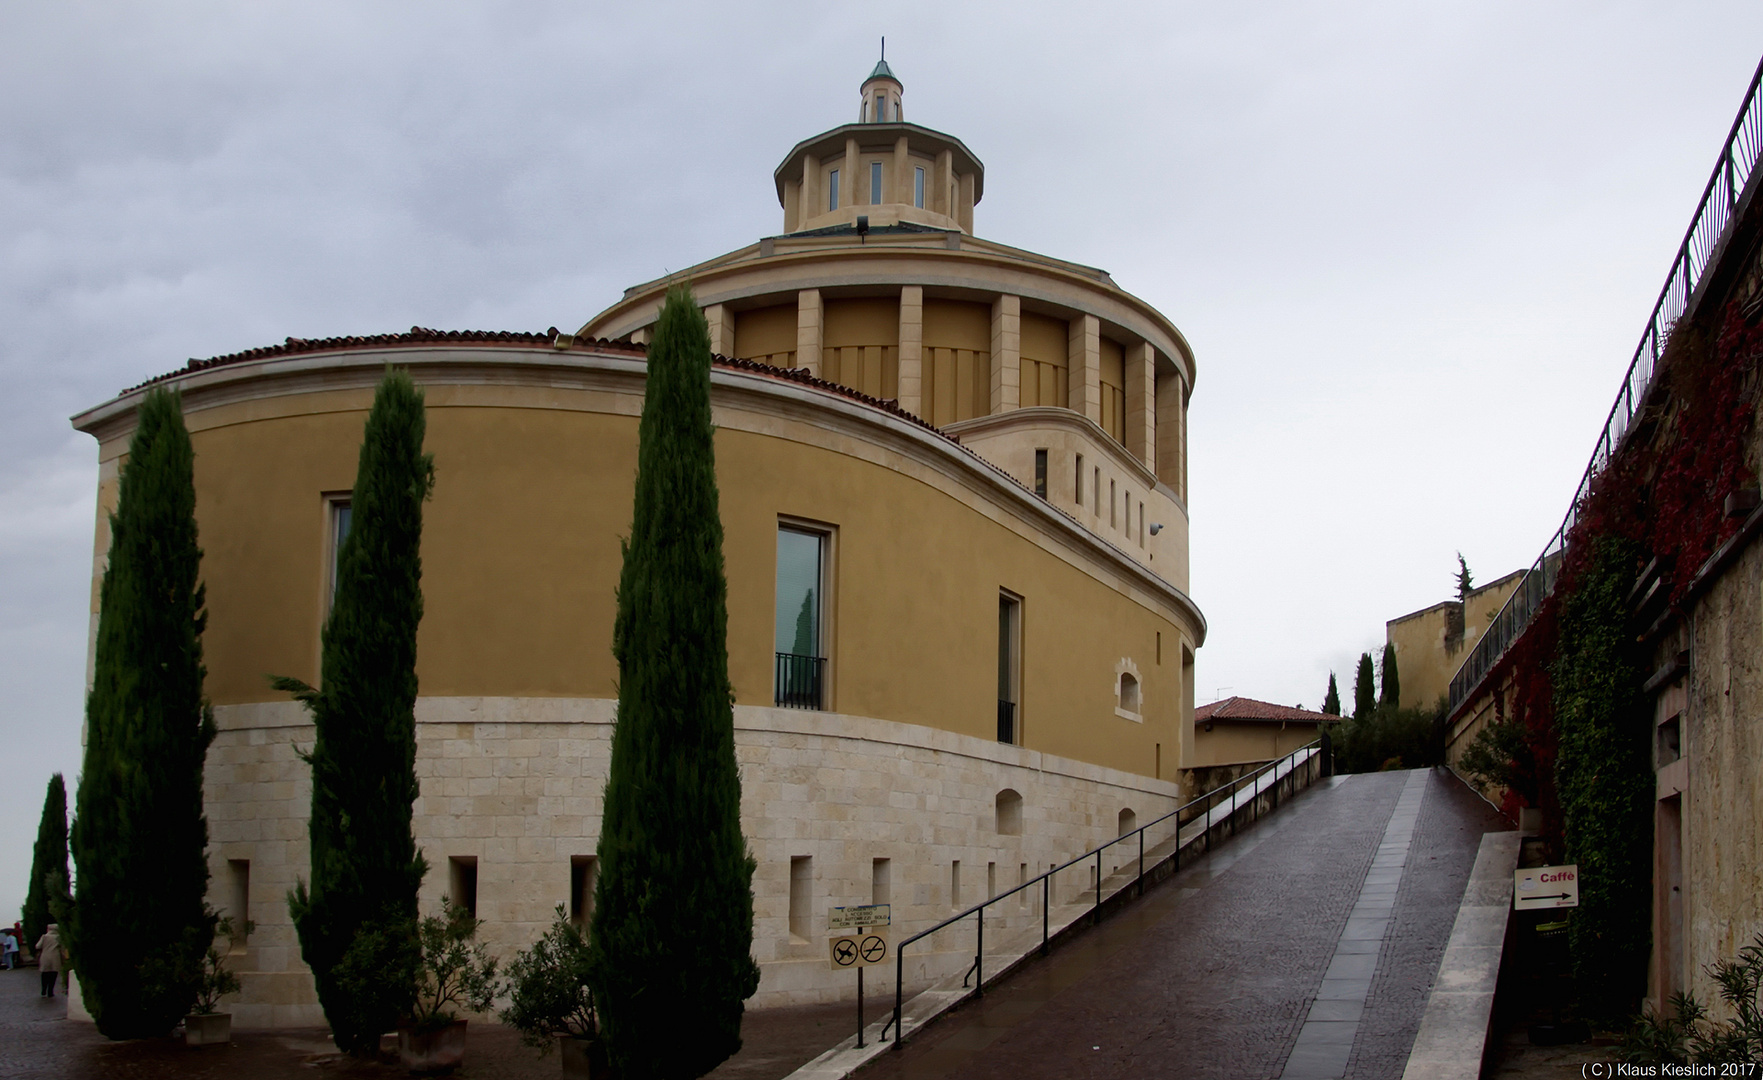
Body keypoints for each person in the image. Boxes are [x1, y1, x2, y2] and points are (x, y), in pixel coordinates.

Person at [34, 924, 61, 998]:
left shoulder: (44, 936)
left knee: (45, 973)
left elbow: (37, 946)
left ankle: (44, 989)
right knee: (53, 973)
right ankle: (50, 991)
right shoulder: (59, 937)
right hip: (55, 956)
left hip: (45, 956)